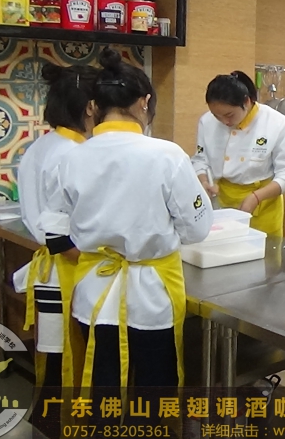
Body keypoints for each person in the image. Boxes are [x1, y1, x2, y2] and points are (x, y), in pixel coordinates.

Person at [40, 48, 212, 395]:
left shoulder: (70, 159)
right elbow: (197, 228)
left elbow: (55, 231)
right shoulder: (166, 155)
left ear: (93, 107)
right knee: (152, 391)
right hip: (151, 298)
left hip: (93, 296)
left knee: (102, 387)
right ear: (144, 102)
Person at [12, 64, 97, 391]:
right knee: (74, 363)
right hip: (71, 269)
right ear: (91, 107)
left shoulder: (42, 146)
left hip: (52, 267)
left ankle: (52, 415)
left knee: (54, 359)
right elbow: (60, 232)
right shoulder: (75, 154)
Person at [192, 71, 285, 238]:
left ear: (247, 101)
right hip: (221, 204)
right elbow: (200, 159)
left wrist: (256, 198)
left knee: (261, 251)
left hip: (263, 207)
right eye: (217, 116)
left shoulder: (278, 124)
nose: (225, 122)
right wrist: (204, 182)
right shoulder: (207, 122)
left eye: (229, 115)